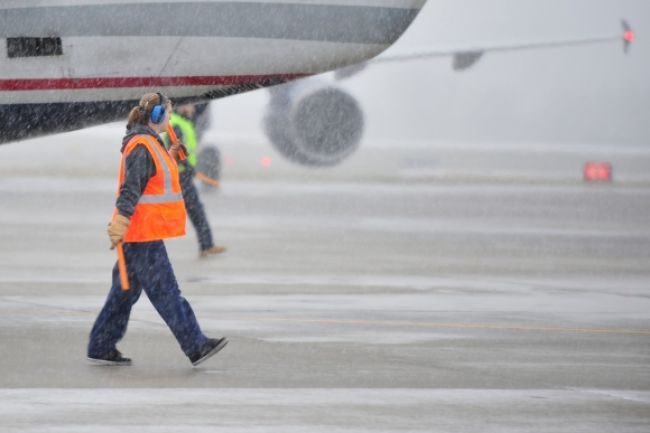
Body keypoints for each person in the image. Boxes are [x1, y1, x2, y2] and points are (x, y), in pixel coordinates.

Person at [87, 92, 227, 366]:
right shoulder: (142, 146)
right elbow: (131, 188)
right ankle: (196, 345)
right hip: (142, 234)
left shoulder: (152, 143)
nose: (171, 116)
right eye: (168, 112)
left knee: (124, 292)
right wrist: (122, 221)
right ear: (157, 116)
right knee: (167, 292)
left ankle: (101, 344)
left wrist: (172, 157)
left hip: (140, 233)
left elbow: (153, 179)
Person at [165, 103, 226, 257]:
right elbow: (176, 149)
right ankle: (206, 245)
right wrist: (187, 165)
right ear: (179, 108)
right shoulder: (177, 125)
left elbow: (200, 109)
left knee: (195, 211)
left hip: (183, 175)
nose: (191, 109)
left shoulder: (185, 121)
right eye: (188, 106)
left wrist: (208, 96)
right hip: (180, 175)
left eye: (192, 106)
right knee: (196, 211)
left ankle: (207, 245)